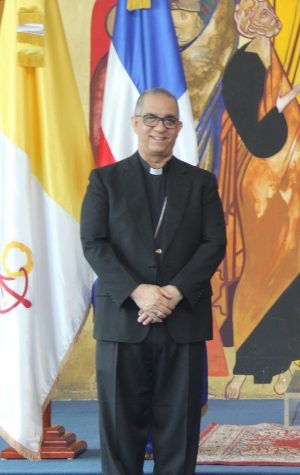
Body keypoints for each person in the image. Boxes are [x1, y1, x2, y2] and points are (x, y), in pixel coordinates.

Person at [80, 88, 226, 475]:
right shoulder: (105, 181)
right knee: (120, 430)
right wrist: (138, 291)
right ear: (135, 123)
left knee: (179, 432)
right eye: (151, 119)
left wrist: (173, 293)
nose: (159, 128)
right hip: (123, 321)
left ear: (178, 128)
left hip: (182, 320)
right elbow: (94, 243)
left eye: (169, 120)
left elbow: (214, 244)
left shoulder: (200, 183)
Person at [214, 0, 300, 399]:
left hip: (287, 186)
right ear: (247, 20)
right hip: (258, 184)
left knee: (289, 270)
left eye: (269, 11)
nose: (270, 18)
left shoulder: (269, 56)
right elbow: (253, 130)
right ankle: (245, 366)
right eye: (261, 12)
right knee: (259, 268)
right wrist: (282, 103)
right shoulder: (244, 63)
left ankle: (283, 362)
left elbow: (295, 130)